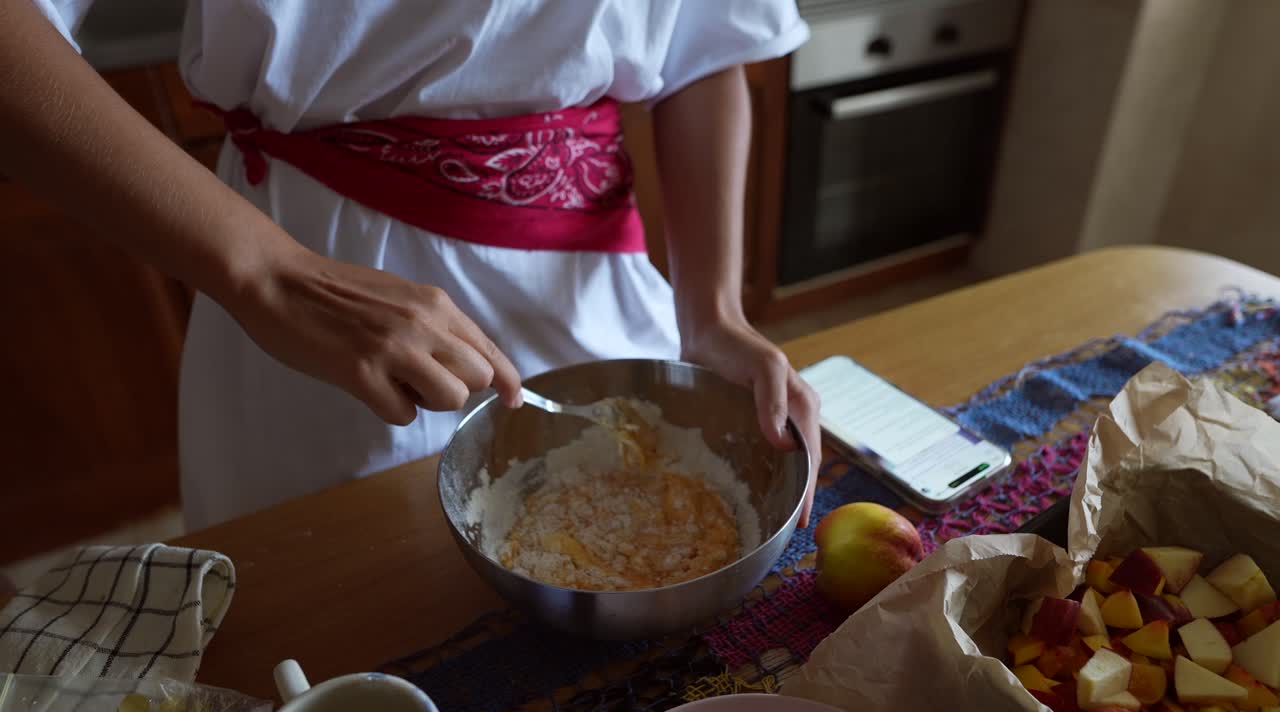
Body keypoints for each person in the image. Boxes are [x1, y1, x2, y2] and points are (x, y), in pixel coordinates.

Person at [0, 0, 821, 532]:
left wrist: (713, 313)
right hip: (321, 300)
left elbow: (707, 45)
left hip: (596, 286)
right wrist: (271, 274)